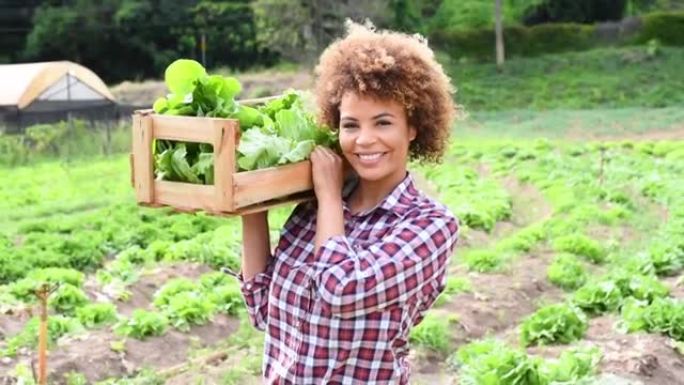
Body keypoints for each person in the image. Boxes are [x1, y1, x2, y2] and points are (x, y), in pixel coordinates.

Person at [233, 21, 460, 385]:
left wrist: (327, 198)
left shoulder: (429, 226)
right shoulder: (309, 212)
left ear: (413, 128)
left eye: (383, 123)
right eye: (351, 125)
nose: (364, 140)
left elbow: (340, 290)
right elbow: (263, 311)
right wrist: (251, 196)